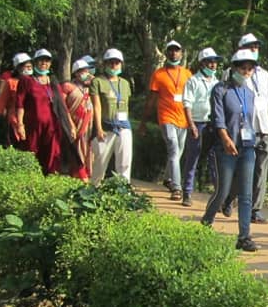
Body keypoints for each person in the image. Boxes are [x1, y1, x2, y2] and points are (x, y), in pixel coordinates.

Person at [200, 50, 262, 251]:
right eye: (242, 68)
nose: (246, 72)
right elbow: (218, 118)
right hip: (225, 147)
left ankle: (244, 236)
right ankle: (206, 223)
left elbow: (250, 120)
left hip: (247, 148)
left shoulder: (250, 94)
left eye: (250, 69)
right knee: (222, 191)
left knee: (246, 194)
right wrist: (225, 138)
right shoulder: (221, 89)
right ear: (234, 68)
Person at [221, 34, 268, 223]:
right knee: (242, 169)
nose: (254, 49)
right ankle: (230, 198)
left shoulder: (263, 75)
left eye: (256, 46)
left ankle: (255, 210)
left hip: (263, 127)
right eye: (249, 46)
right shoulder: (231, 74)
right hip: (243, 129)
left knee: (260, 170)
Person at [140, 40, 191, 201]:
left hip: (183, 119)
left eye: (177, 51)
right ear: (166, 53)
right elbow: (152, 99)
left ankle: (168, 178)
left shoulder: (187, 74)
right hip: (166, 117)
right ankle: (177, 188)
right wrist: (143, 122)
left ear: (181, 53)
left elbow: (192, 98)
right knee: (174, 149)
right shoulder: (159, 74)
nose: (173, 53)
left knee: (178, 152)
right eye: (170, 51)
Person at [15, 49, 78, 175]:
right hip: (33, 126)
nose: (44, 63)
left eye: (47, 60)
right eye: (41, 60)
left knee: (52, 156)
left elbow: (62, 105)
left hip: (52, 126)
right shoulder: (27, 80)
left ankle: (49, 181)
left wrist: (70, 125)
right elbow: (20, 104)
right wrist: (20, 124)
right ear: (35, 62)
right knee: (32, 153)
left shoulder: (53, 81)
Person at [180, 47, 221, 207]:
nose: (213, 65)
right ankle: (187, 192)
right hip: (197, 123)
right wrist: (191, 125)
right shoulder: (193, 81)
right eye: (210, 62)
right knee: (193, 157)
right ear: (202, 63)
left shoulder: (217, 83)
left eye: (215, 62)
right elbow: (187, 103)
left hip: (213, 125)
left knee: (214, 160)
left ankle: (219, 197)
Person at [90, 48, 133, 185]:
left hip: (124, 127)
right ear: (105, 64)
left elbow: (125, 105)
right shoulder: (98, 82)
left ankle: (123, 191)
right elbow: (97, 106)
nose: (114, 65)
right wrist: (98, 128)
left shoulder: (125, 83)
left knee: (124, 163)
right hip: (106, 127)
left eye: (117, 62)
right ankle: (93, 190)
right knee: (100, 163)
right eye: (111, 62)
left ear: (121, 64)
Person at [0, 52, 32, 146]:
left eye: (30, 66)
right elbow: (1, 103)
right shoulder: (11, 83)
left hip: (31, 119)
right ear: (18, 68)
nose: (29, 69)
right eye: (26, 66)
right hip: (14, 120)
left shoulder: (35, 83)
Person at [62, 59, 95, 182]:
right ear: (76, 73)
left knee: (88, 152)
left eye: (87, 70)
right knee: (76, 152)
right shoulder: (68, 87)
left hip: (89, 126)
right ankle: (80, 176)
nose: (86, 73)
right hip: (75, 125)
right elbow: (63, 107)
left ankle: (86, 174)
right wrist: (70, 124)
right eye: (82, 71)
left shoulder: (90, 87)